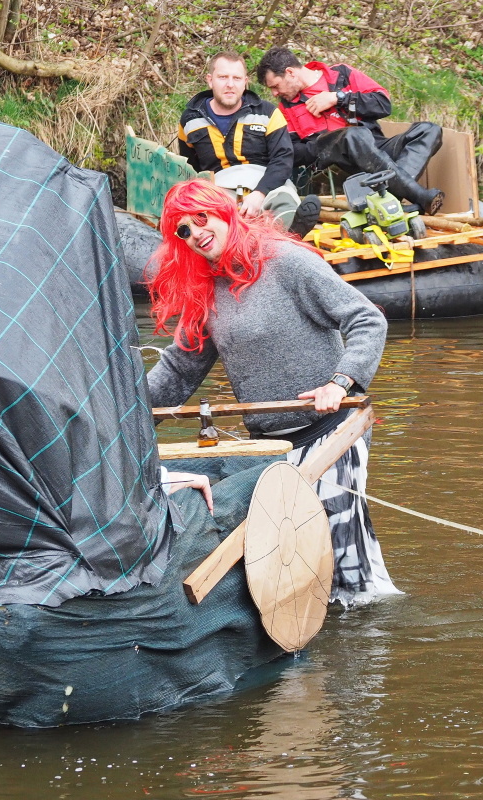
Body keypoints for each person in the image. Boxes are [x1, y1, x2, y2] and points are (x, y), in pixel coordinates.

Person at [146, 178, 399, 606]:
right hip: (268, 446)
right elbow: (178, 370)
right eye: (183, 230)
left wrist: (341, 382)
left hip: (331, 433)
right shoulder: (205, 289)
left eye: (202, 217)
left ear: (224, 211)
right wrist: (124, 409)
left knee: (343, 564)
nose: (196, 232)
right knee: (293, 565)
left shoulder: (285, 260)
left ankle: (371, 634)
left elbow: (366, 319)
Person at [255, 46, 446, 215]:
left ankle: (391, 197)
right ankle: (418, 196)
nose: (274, 93)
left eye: (275, 86)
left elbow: (383, 105)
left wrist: (339, 98)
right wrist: (327, 142)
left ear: (290, 72)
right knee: (353, 135)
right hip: (335, 164)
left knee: (428, 130)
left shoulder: (341, 74)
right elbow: (292, 152)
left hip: (376, 150)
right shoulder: (285, 109)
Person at [178, 51, 321, 235]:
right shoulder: (190, 120)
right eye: (223, 77)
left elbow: (283, 159)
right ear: (210, 80)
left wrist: (259, 194)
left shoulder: (268, 113)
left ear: (245, 82)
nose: (230, 84)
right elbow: (190, 167)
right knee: (213, 211)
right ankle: (237, 233)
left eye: (237, 78)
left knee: (283, 200)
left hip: (267, 183)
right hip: (220, 188)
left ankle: (291, 231)